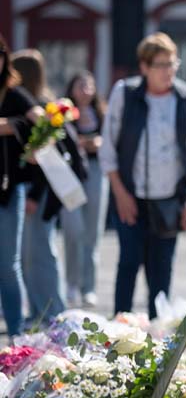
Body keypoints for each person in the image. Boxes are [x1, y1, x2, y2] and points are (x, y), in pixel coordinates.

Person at [99, 32, 186, 318]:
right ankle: (120, 331)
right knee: (128, 263)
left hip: (169, 197)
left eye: (172, 64)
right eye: (161, 65)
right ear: (145, 67)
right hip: (130, 194)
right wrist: (120, 193)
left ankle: (158, 337)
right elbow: (108, 147)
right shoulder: (125, 93)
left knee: (162, 269)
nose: (169, 71)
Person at [13, 50, 80, 324]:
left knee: (41, 253)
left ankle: (53, 310)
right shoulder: (41, 105)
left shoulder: (40, 108)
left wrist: (33, 194)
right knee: (31, 254)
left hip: (39, 193)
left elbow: (45, 159)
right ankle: (40, 309)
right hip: (38, 192)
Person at [0, 34, 42, 337]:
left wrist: (12, 125)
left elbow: (41, 120)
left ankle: (15, 329)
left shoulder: (14, 94)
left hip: (8, 188)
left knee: (8, 263)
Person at [60, 71, 108, 308]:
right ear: (72, 88)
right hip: (71, 174)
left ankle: (88, 287)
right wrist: (78, 142)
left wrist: (98, 143)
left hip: (97, 171)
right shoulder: (64, 114)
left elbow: (111, 140)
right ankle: (71, 282)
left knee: (92, 231)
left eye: (89, 85)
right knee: (72, 230)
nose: (86, 90)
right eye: (81, 85)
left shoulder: (102, 113)